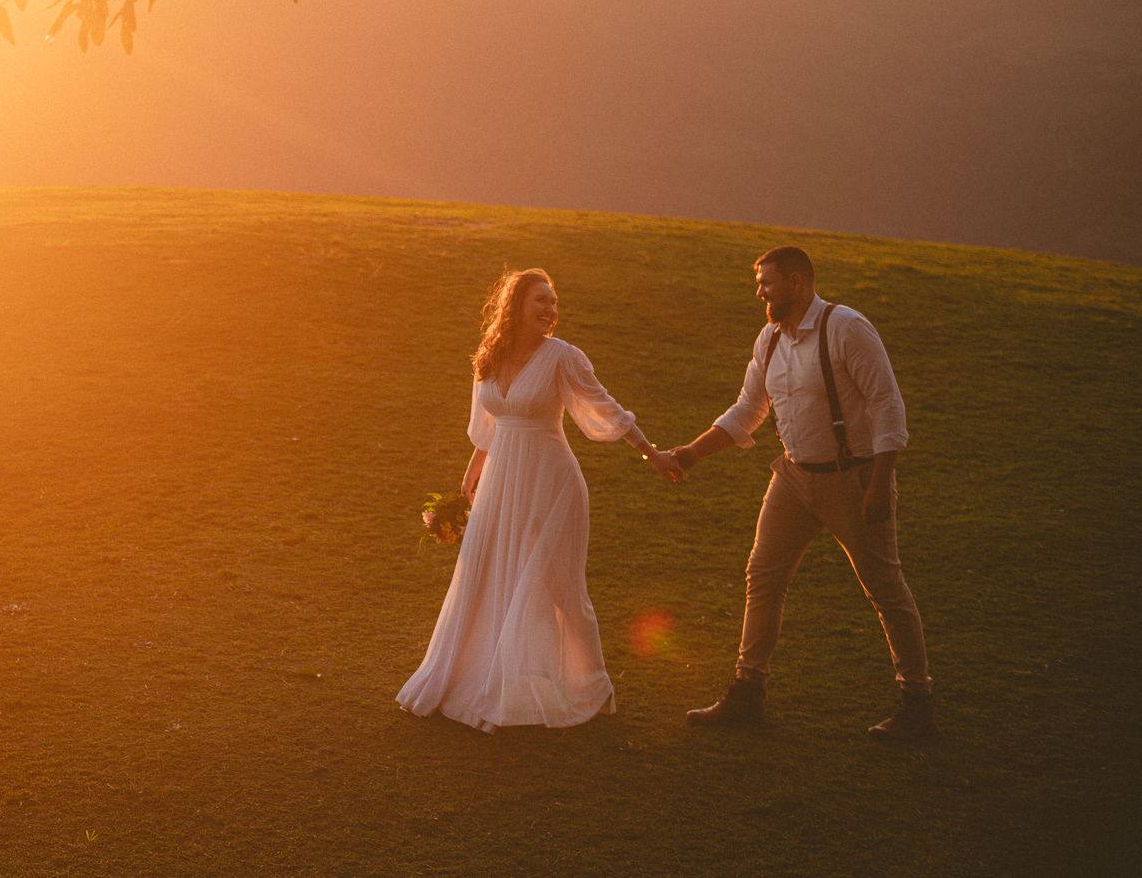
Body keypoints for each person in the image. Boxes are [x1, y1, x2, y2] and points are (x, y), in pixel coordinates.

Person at [657, 245, 936, 741]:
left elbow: (887, 406)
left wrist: (878, 485)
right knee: (763, 577)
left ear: (799, 281)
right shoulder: (769, 339)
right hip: (792, 477)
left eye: (767, 282)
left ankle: (917, 701)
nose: (760, 291)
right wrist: (693, 453)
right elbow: (748, 409)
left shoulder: (846, 327)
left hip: (852, 478)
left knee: (884, 589)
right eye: (759, 282)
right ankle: (748, 693)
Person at [398, 268, 676, 730]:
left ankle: (588, 682)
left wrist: (652, 453)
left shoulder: (563, 357)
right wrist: (472, 474)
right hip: (502, 479)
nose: (549, 309)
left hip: (551, 481)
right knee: (486, 572)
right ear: (515, 306)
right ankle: (485, 673)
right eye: (540, 301)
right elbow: (489, 423)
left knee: (556, 584)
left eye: (553, 301)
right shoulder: (490, 356)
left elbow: (605, 406)